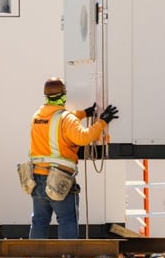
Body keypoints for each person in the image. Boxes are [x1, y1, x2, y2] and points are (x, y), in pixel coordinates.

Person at [28, 77, 118, 239]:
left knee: (39, 221)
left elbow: (59, 120)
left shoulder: (37, 116)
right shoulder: (66, 119)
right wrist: (103, 121)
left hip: (37, 177)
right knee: (67, 220)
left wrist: (84, 113)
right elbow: (83, 137)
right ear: (63, 95)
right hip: (59, 178)